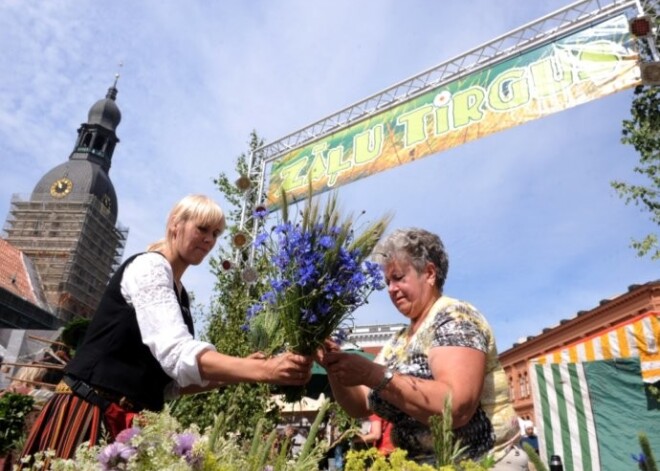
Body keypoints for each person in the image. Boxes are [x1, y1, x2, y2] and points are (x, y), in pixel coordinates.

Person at [20, 194, 313, 462]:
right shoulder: (150, 268)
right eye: (202, 229)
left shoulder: (181, 295)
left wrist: (240, 372)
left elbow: (170, 383)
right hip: (88, 411)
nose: (209, 240)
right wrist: (266, 371)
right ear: (176, 224)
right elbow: (177, 351)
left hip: (129, 422)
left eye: (215, 234)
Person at [317, 228, 527, 469]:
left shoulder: (455, 318)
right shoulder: (397, 342)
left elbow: (455, 407)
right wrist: (333, 365)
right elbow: (359, 405)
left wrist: (371, 373)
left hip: (484, 462)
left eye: (398, 278)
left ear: (429, 273)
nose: (390, 289)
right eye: (387, 282)